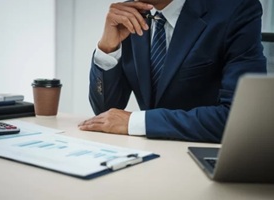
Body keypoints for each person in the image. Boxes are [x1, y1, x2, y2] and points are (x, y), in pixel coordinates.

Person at [78, 0, 266, 143]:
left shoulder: (236, 9)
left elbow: (240, 119)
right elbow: (106, 112)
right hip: (148, 157)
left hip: (205, 159)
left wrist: (137, 122)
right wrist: (107, 48)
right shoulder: (132, 14)